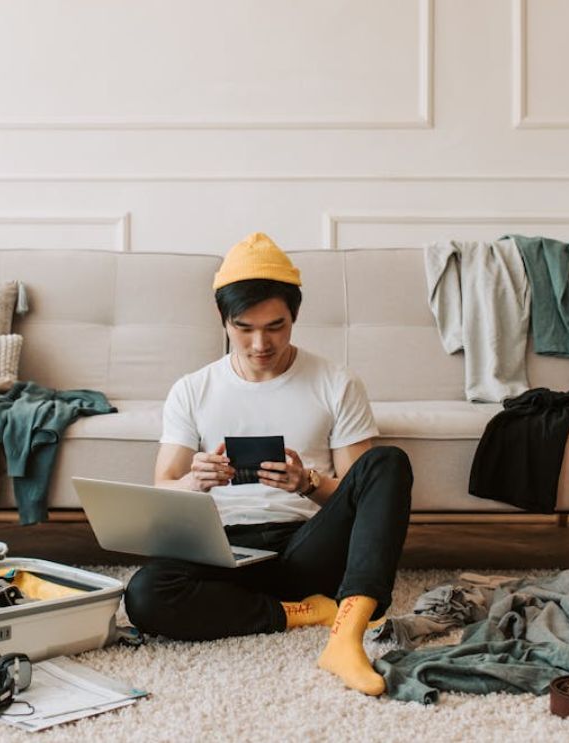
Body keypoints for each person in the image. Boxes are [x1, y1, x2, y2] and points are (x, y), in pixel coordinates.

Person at [123, 232, 414, 696]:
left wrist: (308, 482)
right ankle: (305, 611)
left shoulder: (336, 382)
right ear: (223, 321)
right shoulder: (192, 389)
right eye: (244, 328)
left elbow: (360, 496)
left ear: (295, 316)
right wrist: (194, 482)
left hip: (306, 547)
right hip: (223, 549)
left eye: (276, 326)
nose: (261, 343)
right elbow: (162, 488)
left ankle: (347, 634)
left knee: (388, 462)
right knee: (144, 595)